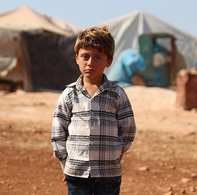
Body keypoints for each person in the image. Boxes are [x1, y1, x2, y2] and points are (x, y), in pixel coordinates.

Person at [51, 26, 136, 195]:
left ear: (108, 61)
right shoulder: (69, 94)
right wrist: (65, 163)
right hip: (76, 172)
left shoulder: (117, 94)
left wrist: (114, 154)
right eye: (85, 56)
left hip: (109, 173)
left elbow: (128, 131)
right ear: (77, 58)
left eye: (98, 57)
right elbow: (58, 132)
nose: (90, 63)